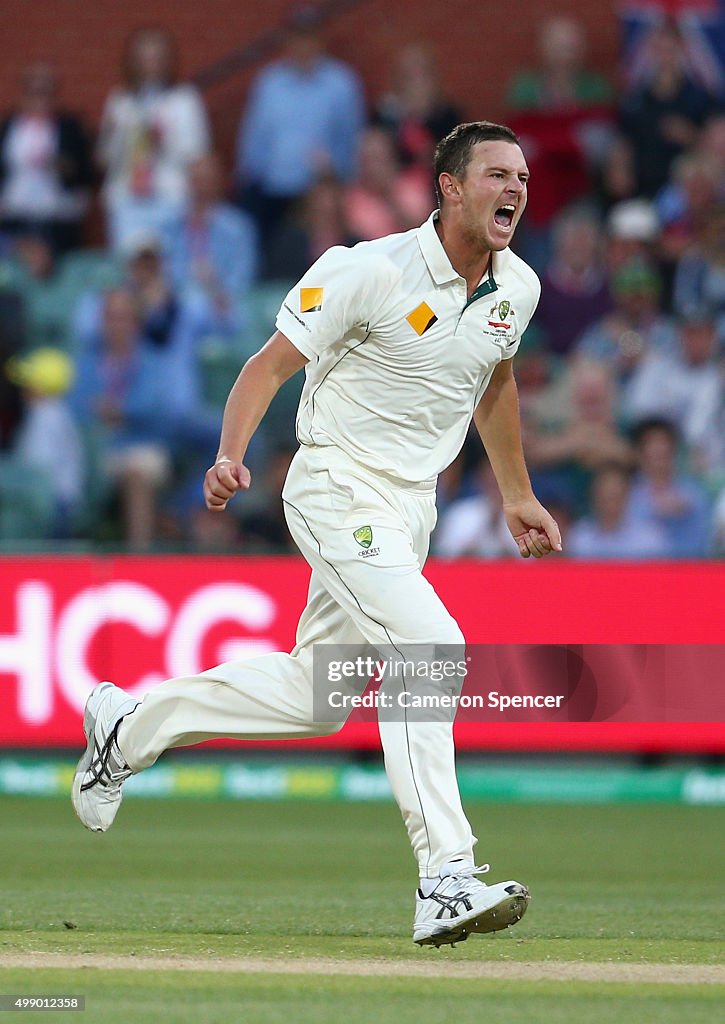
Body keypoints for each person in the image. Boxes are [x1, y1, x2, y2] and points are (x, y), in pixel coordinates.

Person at [72, 122, 561, 948]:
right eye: (493, 175)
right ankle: (445, 875)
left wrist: (515, 491)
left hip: (410, 509)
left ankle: (127, 727)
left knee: (318, 698)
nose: (513, 188)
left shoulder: (518, 288)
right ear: (447, 186)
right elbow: (266, 365)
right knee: (430, 647)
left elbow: (495, 379)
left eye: (520, 176)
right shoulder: (366, 269)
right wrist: (230, 456)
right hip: (335, 486)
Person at [98, 27, 210, 252]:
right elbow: (104, 158)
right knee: (129, 264)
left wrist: (163, 140)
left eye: (156, 58)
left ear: (168, 61)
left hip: (170, 197)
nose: (150, 65)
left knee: (170, 266)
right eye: (144, 59)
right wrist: (115, 133)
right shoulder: (120, 100)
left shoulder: (184, 99)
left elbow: (198, 155)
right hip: (127, 198)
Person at [0, 61, 92, 254]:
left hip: (56, 215)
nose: (39, 100)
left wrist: (65, 167)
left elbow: (86, 172)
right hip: (15, 214)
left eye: (45, 92)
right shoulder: (9, 126)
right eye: (33, 92)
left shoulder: (69, 127)